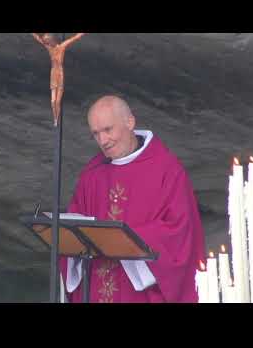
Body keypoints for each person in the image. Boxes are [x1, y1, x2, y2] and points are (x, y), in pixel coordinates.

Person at [59, 95, 206, 303]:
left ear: (130, 122)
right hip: (96, 288)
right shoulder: (92, 174)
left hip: (139, 294)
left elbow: (180, 233)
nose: (102, 141)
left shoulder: (167, 170)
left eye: (108, 130)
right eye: (95, 134)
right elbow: (73, 230)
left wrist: (125, 239)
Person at [32, 33, 85, 126]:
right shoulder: (49, 47)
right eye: (46, 41)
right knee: (53, 101)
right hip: (53, 73)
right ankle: (55, 117)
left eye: (47, 41)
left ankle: (57, 118)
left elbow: (74, 38)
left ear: (52, 40)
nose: (46, 42)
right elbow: (38, 39)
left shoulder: (62, 47)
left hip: (60, 74)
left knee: (57, 101)